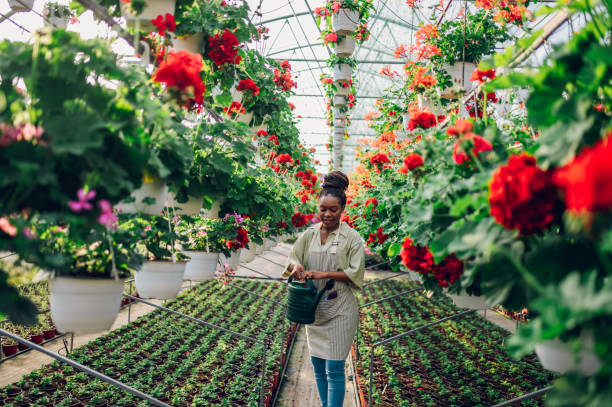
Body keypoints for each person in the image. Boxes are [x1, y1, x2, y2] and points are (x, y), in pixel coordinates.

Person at [284, 170, 365, 407]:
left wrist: (324, 274)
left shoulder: (352, 238)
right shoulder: (308, 235)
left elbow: (355, 273)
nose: (327, 214)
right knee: (318, 367)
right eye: (323, 209)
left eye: (333, 210)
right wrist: (296, 265)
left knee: (335, 369)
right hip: (315, 309)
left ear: (342, 209)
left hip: (340, 308)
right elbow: (292, 258)